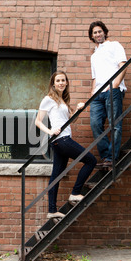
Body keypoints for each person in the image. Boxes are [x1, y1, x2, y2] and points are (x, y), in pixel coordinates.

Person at [35, 71, 97, 219]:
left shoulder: (63, 101)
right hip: (61, 140)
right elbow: (38, 121)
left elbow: (70, 121)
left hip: (61, 140)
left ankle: (52, 210)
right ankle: (75, 193)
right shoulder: (48, 99)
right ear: (53, 84)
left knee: (56, 175)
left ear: (66, 83)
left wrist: (78, 110)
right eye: (58, 81)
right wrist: (50, 131)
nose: (61, 83)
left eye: (63, 80)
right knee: (91, 160)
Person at [88, 21, 127, 168]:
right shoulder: (94, 55)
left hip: (112, 90)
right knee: (95, 125)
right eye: (95, 33)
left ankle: (111, 158)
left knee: (114, 125)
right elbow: (95, 77)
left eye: (99, 31)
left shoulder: (115, 45)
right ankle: (105, 156)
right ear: (91, 36)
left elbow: (123, 66)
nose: (97, 34)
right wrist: (93, 91)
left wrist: (115, 86)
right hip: (97, 94)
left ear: (104, 32)